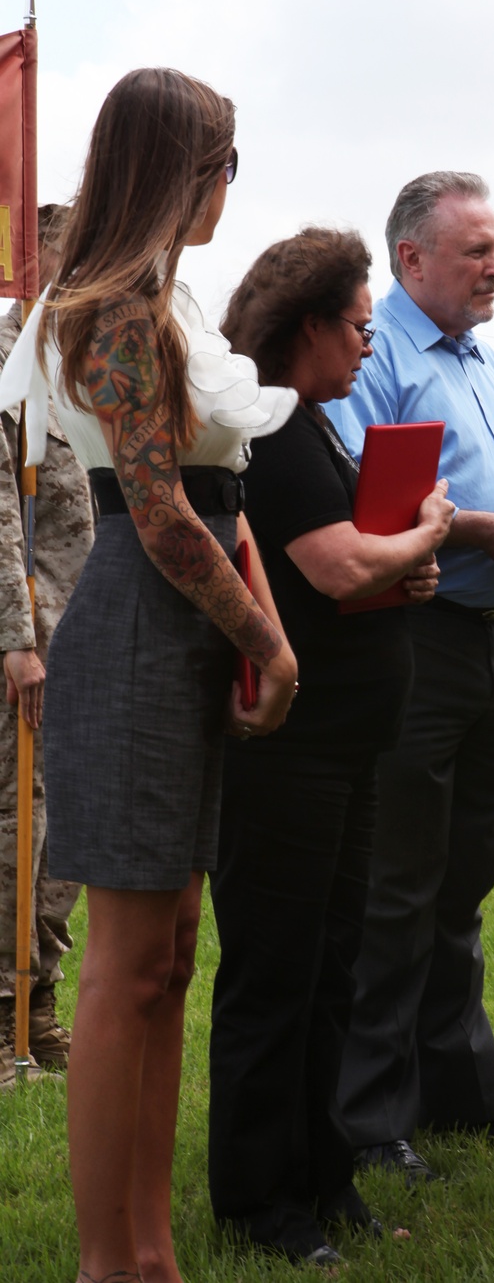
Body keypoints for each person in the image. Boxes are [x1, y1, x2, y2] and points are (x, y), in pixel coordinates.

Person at [0, 67, 299, 1283]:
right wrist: (265, 640)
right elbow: (164, 511)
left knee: (170, 951)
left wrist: (252, 622)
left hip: (184, 612)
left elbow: (216, 508)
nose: (230, 190)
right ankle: (106, 1264)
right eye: (225, 165)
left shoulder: (167, 305)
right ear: (184, 170)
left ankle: (152, 1251)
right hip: (138, 616)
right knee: (128, 966)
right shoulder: (113, 305)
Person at [207, 227, 454, 1266]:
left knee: (336, 966)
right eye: (356, 325)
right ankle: (261, 1203)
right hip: (290, 754)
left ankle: (323, 1173)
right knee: (278, 973)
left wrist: (405, 569)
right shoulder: (271, 434)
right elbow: (338, 567)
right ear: (306, 326)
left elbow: (354, 570)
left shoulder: (318, 425)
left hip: (347, 747)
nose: (367, 344)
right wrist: (424, 538)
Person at [328, 170, 494, 1180]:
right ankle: (370, 1120)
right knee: (397, 885)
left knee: (464, 880)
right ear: (411, 260)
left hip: (486, 639)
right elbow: (358, 494)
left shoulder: (482, 362)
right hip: (412, 638)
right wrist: (483, 527)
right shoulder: (374, 351)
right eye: (476, 250)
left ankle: (463, 1102)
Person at [0, 204, 92, 1090]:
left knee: (61, 835)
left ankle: (41, 1003)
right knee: (11, 830)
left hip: (85, 645)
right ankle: (1, 1016)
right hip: (24, 643)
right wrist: (14, 638)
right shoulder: (8, 370)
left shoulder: (85, 373)